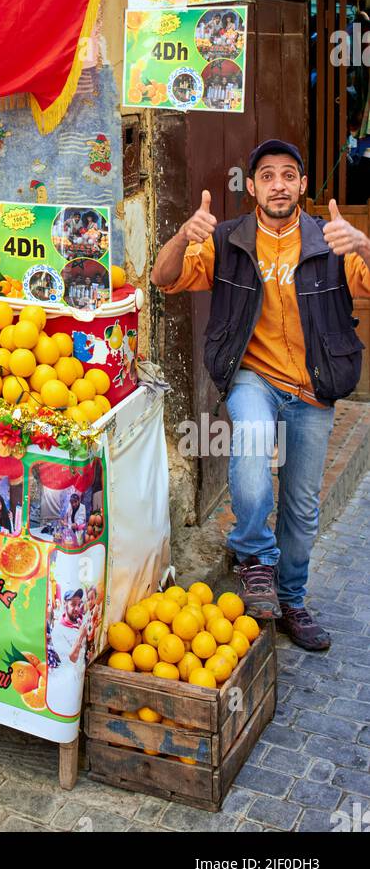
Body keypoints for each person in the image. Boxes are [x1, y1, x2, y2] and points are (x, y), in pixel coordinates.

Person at [151, 140, 370, 649]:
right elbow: (163, 278)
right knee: (249, 438)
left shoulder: (326, 240)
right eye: (267, 176)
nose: (278, 184)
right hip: (255, 376)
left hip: (314, 387)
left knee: (302, 506)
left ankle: (292, 600)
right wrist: (186, 234)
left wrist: (360, 244)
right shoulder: (228, 239)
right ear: (251, 187)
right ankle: (254, 557)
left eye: (288, 175)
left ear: (300, 186)